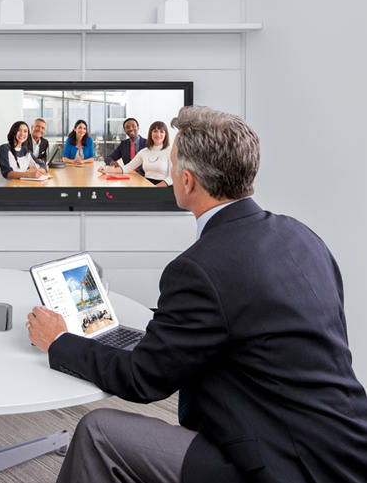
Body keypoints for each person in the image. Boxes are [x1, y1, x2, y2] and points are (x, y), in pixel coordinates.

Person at [26, 106, 367, 483]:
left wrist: (59, 340)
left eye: (172, 165)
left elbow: (143, 380)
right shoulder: (302, 237)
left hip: (283, 465)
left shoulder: (198, 268)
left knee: (97, 432)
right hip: (347, 451)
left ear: (187, 181)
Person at [98, 121, 172, 186]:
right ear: (150, 133)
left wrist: (155, 188)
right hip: (147, 184)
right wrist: (106, 170)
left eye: (161, 131)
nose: (158, 134)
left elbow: (172, 178)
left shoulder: (171, 151)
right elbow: (127, 168)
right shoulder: (144, 151)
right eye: (155, 131)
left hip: (164, 188)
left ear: (166, 134)